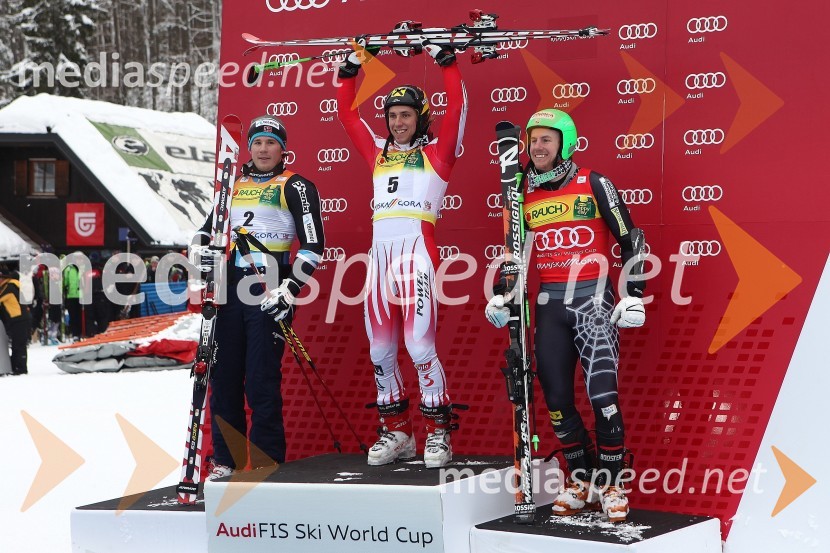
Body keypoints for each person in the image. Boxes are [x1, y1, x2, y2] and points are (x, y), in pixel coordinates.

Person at [485, 109, 646, 522]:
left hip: (593, 301)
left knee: (603, 397)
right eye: (533, 140)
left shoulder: (594, 182)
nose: (537, 147)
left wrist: (633, 294)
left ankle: (611, 484)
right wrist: (503, 296)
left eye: (546, 140)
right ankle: (581, 478)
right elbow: (514, 254)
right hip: (550, 305)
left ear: (564, 144)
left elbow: (632, 240)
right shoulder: (520, 190)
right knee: (556, 401)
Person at [336, 37, 467, 468]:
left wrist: (446, 63)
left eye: (406, 115)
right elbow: (346, 114)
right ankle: (398, 433)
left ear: (420, 117)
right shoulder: (377, 155)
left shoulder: (437, 155)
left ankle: (438, 434)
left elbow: (457, 111)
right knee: (380, 351)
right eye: (392, 116)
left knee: (419, 343)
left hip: (416, 254)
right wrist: (350, 71)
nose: (397, 122)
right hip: (379, 260)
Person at [190, 115, 325, 480]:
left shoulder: (295, 185)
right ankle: (225, 461)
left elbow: (314, 246)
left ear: (283, 148)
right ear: (249, 147)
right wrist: (200, 252)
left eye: (271, 142)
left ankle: (266, 463)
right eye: (258, 142)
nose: (264, 149)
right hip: (228, 288)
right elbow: (205, 233)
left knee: (261, 378)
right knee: (224, 377)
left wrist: (291, 287)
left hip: (269, 286)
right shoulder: (232, 185)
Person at [0, 266, 33, 375]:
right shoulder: (13, 284)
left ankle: (21, 368)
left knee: (19, 345)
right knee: (17, 344)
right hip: (19, 319)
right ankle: (16, 366)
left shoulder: (8, 287)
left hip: (19, 319)